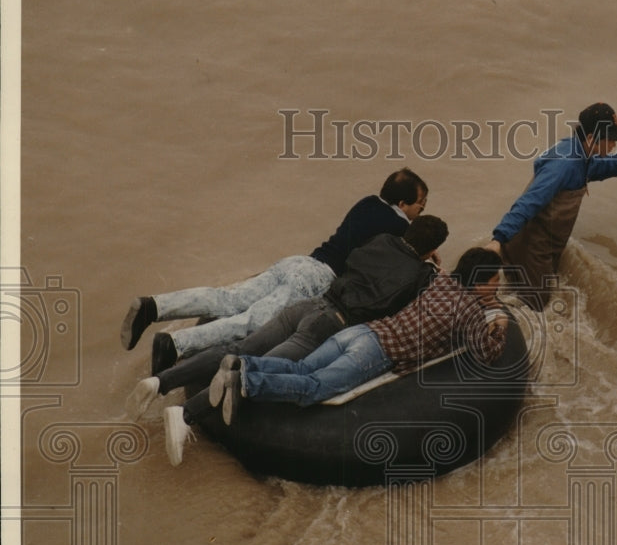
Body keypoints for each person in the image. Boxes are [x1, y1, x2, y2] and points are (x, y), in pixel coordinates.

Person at [161, 248, 508, 466]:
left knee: (301, 366)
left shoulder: (440, 283)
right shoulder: (469, 312)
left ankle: (244, 364)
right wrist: (498, 322)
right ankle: (247, 378)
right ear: (479, 283)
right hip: (375, 353)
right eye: (494, 281)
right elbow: (486, 354)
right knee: (313, 387)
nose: (498, 287)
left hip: (358, 332)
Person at [128, 213, 449, 425]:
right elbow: (414, 301)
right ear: (431, 249)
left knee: (240, 348)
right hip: (331, 325)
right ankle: (184, 417)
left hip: (311, 304)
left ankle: (161, 382)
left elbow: (356, 261)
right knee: (252, 369)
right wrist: (429, 266)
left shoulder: (380, 240)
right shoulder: (419, 274)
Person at [121, 168, 428, 372]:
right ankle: (175, 344)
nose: (419, 213)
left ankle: (154, 306)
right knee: (250, 323)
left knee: (229, 300)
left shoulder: (367, 202)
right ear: (402, 204)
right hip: (317, 280)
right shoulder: (399, 225)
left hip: (300, 262)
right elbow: (401, 247)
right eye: (419, 206)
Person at [486, 103, 617, 310]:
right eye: (610, 139)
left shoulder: (580, 153)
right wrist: (498, 239)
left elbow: (599, 167)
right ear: (592, 138)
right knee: (535, 306)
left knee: (518, 293)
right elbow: (529, 202)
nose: (614, 145)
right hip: (532, 245)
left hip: (544, 243)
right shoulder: (563, 166)